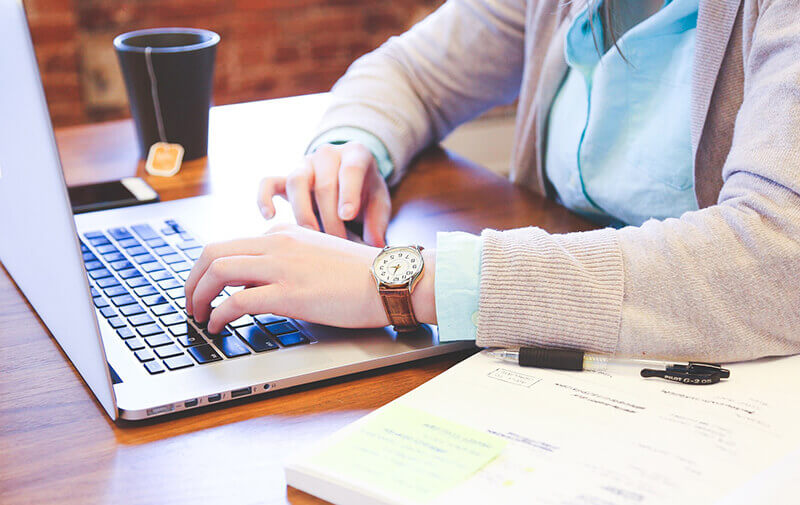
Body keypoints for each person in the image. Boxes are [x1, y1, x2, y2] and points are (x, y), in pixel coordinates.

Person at [184, 0, 800, 362]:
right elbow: (412, 70)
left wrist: (404, 281)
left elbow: (778, 259)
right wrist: (350, 147)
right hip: (572, 356)